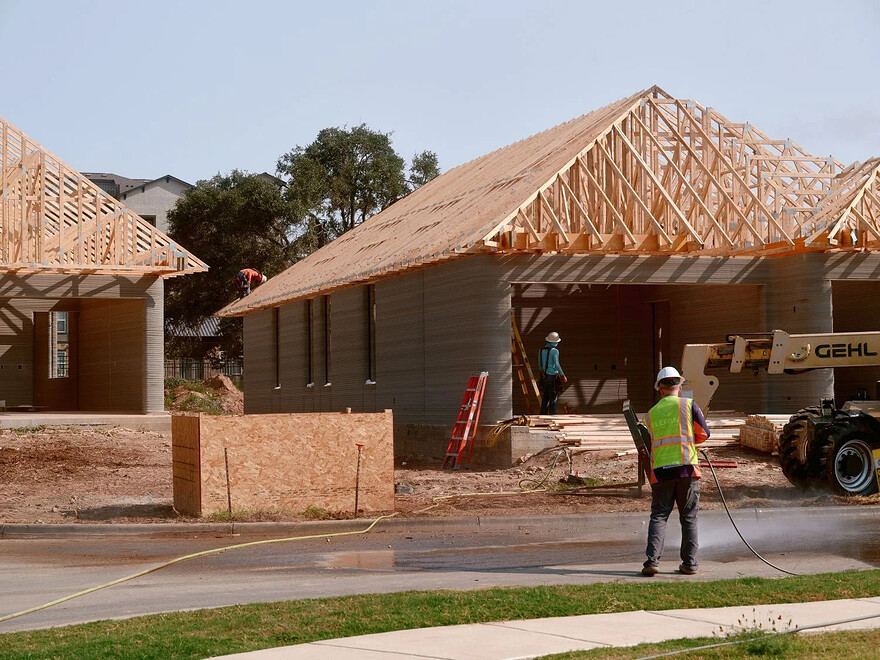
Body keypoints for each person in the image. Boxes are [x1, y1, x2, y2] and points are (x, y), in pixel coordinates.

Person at [641, 366, 710, 577]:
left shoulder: (651, 414)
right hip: (686, 470)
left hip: (661, 472)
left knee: (659, 516)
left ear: (660, 389)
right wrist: (691, 443)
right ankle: (689, 563)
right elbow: (704, 433)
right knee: (688, 517)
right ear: (679, 387)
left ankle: (652, 562)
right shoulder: (689, 405)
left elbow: (646, 442)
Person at [538, 332, 567, 415]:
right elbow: (557, 364)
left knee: (545, 398)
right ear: (554, 342)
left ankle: (543, 416)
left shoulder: (541, 350)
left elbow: (539, 364)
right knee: (553, 399)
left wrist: (542, 372)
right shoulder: (555, 351)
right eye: (557, 342)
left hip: (544, 377)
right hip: (552, 377)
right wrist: (563, 375)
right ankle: (552, 417)